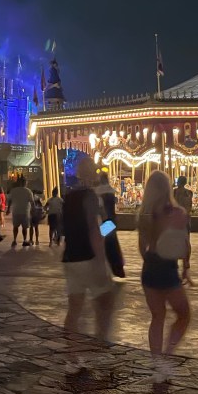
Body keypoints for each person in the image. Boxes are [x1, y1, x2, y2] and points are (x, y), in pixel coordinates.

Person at [61, 155, 115, 368]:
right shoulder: (92, 197)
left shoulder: (68, 197)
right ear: (92, 173)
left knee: (74, 309)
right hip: (89, 257)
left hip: (70, 257)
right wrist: (110, 227)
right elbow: (96, 229)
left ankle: (71, 356)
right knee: (105, 301)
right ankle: (100, 345)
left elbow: (65, 228)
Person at [138, 171, 191, 380]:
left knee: (157, 316)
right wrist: (185, 266)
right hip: (168, 267)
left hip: (150, 266)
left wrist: (151, 260)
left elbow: (142, 246)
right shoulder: (177, 212)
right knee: (184, 314)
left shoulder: (145, 215)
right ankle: (167, 355)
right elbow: (184, 243)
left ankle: (157, 362)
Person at [96, 171, 125, 278]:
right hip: (111, 219)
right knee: (112, 243)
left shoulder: (99, 191)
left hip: (104, 220)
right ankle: (117, 268)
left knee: (105, 244)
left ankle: (108, 269)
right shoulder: (110, 190)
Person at [8, 176, 34, 248]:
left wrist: (8, 209)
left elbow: (10, 200)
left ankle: (14, 240)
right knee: (24, 227)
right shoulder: (28, 191)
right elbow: (32, 202)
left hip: (16, 211)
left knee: (15, 226)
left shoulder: (13, 190)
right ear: (25, 182)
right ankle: (24, 240)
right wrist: (33, 210)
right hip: (25, 211)